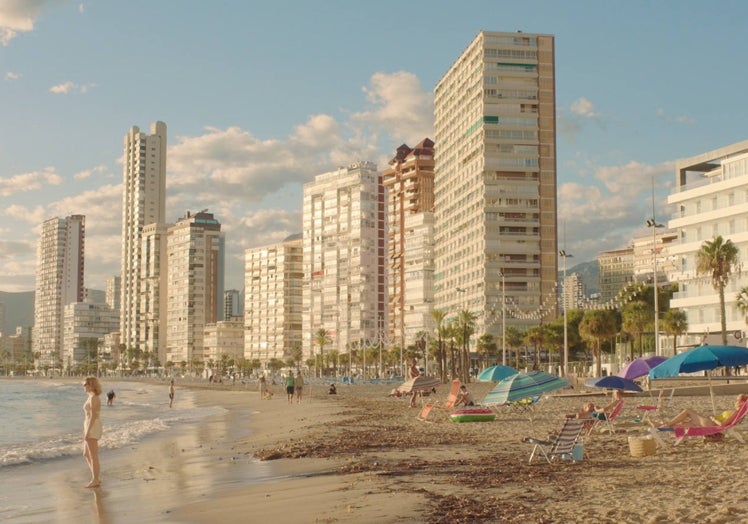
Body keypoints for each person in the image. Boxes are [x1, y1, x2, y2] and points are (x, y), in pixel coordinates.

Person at [663, 394, 748, 428]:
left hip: (711, 423)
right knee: (684, 424)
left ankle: (668, 424)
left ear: (742, 403)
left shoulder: (736, 413)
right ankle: (663, 426)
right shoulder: (737, 412)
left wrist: (713, 418)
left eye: (737, 400)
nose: (735, 402)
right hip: (710, 422)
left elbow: (722, 424)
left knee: (687, 411)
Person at [82, 376, 103, 488]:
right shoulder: (90, 397)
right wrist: (84, 430)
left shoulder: (94, 398)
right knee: (86, 453)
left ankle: (95, 479)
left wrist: (88, 431)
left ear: (91, 385)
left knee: (93, 455)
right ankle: (96, 477)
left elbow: (93, 416)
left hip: (93, 426)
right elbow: (87, 416)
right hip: (88, 425)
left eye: (85, 384)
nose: (83, 386)